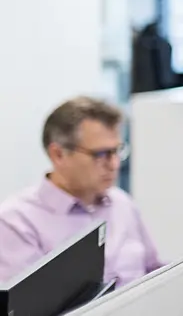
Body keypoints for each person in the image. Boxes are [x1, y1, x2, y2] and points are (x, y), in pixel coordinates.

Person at [0, 97, 163, 287]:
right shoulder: (16, 223)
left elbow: (155, 273)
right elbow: (26, 301)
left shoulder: (122, 203)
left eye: (117, 151)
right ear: (58, 154)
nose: (114, 164)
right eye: (101, 154)